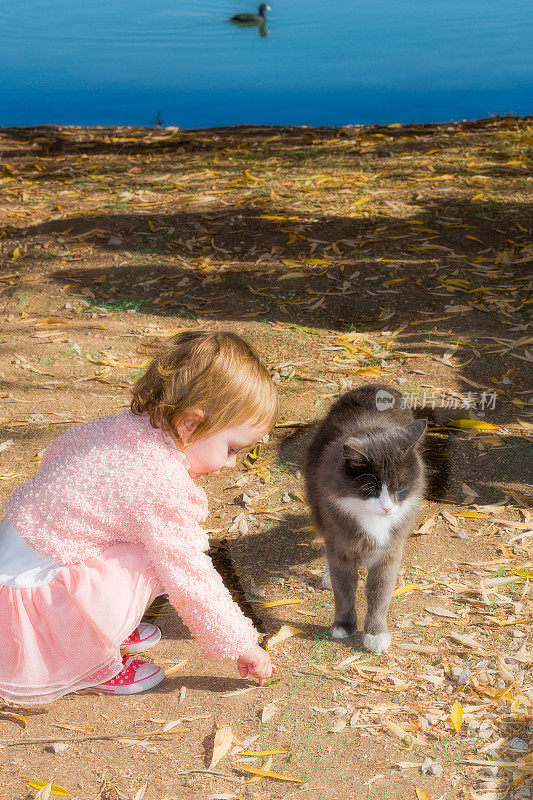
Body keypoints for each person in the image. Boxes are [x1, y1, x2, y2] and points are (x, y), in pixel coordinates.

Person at [0, 330, 277, 703]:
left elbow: (56, 457)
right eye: (231, 449)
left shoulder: (124, 428)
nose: (231, 464)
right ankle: (86, 657)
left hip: (15, 566)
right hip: (27, 601)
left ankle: (93, 625)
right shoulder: (157, 483)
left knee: (141, 540)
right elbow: (189, 575)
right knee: (156, 555)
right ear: (189, 424)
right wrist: (241, 643)